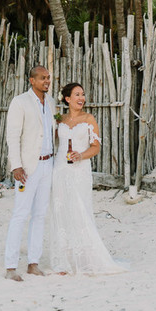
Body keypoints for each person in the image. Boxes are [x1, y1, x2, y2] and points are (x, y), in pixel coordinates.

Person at [42, 82, 127, 275]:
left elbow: (96, 147)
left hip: (80, 171)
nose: (81, 98)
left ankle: (86, 258)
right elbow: (51, 142)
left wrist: (81, 155)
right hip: (60, 170)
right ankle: (64, 260)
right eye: (77, 94)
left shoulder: (89, 119)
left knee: (80, 209)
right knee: (61, 211)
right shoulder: (59, 120)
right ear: (67, 99)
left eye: (83, 94)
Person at [4, 65, 56, 281]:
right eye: (42, 78)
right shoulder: (20, 102)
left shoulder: (51, 103)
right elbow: (13, 136)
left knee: (40, 214)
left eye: (48, 78)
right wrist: (16, 165)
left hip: (48, 164)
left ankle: (33, 263)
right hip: (28, 167)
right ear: (31, 81)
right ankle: (10, 267)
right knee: (20, 214)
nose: (47, 81)